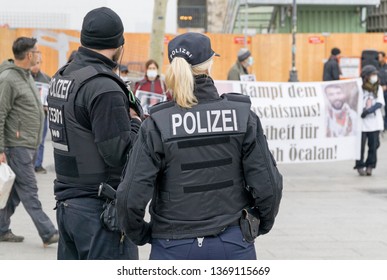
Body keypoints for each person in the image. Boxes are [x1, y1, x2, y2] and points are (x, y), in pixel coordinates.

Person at [116, 32, 283, 260]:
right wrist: (257, 225)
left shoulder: (157, 124)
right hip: (232, 242)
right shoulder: (242, 116)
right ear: (209, 65)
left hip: (172, 244)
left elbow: (130, 196)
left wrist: (144, 234)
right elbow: (269, 185)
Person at [47, 7, 141, 260]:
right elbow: (119, 154)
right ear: (119, 44)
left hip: (69, 206)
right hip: (98, 212)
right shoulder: (104, 87)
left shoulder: (64, 75)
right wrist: (135, 122)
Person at [0, 37, 59, 246]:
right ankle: (48, 232)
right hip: (17, 146)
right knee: (29, 190)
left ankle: (1, 228)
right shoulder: (8, 79)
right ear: (29, 55)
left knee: (15, 193)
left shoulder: (25, 76)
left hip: (28, 144)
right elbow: (0, 113)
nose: (39, 54)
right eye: (37, 51)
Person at [354, 65, 385, 176]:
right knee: (360, 146)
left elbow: (379, 103)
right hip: (361, 123)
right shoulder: (358, 87)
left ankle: (370, 165)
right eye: (372, 74)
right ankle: (359, 165)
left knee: (373, 145)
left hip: (374, 122)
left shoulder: (378, 88)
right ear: (366, 76)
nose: (374, 77)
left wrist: (368, 111)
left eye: (375, 74)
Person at [30, 57, 51, 174]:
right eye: (33, 63)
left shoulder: (46, 79)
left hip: (43, 115)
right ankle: (28, 165)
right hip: (28, 116)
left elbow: (50, 97)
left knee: (41, 141)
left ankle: (38, 165)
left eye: (38, 63)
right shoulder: (25, 78)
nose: (35, 66)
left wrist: (47, 106)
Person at [377, 51, 387, 131]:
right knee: (378, 109)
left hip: (386, 91)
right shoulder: (376, 67)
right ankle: (379, 125)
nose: (379, 59)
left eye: (380, 57)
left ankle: (386, 126)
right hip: (377, 91)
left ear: (384, 57)